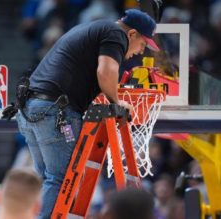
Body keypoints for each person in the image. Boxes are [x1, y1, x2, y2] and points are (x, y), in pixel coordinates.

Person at [16, 8, 159, 218]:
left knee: (48, 178)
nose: (140, 51)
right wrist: (117, 102)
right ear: (132, 34)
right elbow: (106, 71)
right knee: (62, 179)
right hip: (54, 112)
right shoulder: (115, 33)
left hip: (30, 109)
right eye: (143, 44)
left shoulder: (93, 29)